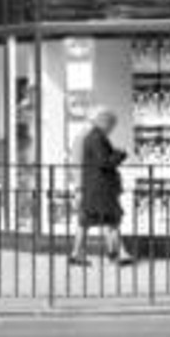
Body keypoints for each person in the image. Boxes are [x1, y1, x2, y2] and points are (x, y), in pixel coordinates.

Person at [69, 108, 133, 266]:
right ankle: (117, 255)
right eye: (111, 124)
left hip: (94, 188)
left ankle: (79, 254)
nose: (112, 128)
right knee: (111, 220)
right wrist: (122, 154)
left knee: (90, 221)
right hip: (101, 188)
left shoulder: (90, 137)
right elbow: (104, 162)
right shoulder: (96, 137)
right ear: (104, 121)